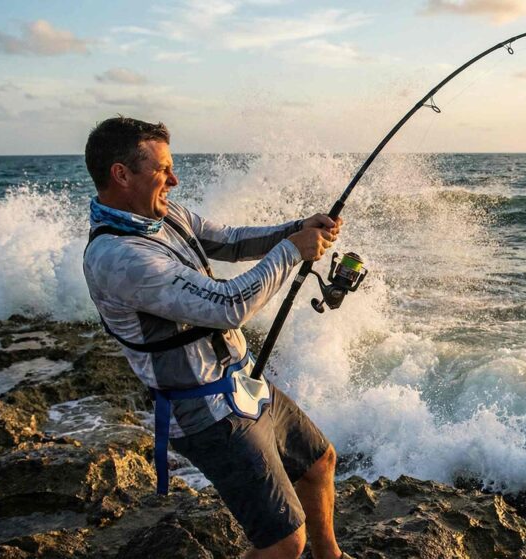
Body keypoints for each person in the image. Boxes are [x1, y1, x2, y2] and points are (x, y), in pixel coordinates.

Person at [82, 116, 352, 559]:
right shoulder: (117, 257)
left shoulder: (164, 215)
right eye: (162, 169)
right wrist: (292, 251)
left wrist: (299, 227)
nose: (174, 178)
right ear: (121, 174)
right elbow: (228, 307)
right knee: (285, 543)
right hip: (203, 411)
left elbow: (229, 242)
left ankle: (331, 557)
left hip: (243, 383)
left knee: (320, 462)